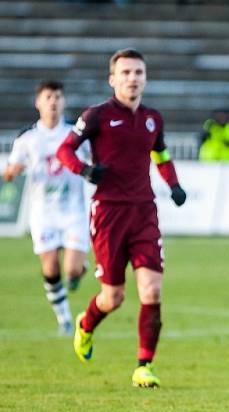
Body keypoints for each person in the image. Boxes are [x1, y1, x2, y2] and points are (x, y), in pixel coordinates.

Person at [57, 48, 188, 388]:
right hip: (108, 214)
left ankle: (144, 365)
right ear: (112, 79)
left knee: (152, 290)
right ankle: (87, 325)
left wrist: (173, 184)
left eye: (138, 73)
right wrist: (85, 170)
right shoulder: (97, 115)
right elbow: (64, 150)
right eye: (126, 72)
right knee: (112, 297)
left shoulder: (152, 118)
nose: (133, 78)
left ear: (145, 78)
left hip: (144, 212)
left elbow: (160, 152)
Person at [3, 81, 91, 336]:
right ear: (38, 102)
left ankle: (77, 273)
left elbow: (94, 158)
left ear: (63, 102)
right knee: (50, 266)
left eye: (58, 97)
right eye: (48, 97)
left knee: (72, 269)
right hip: (43, 213)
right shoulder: (28, 138)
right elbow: (9, 172)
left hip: (73, 210)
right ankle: (64, 318)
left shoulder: (75, 134)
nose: (53, 101)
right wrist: (14, 171)